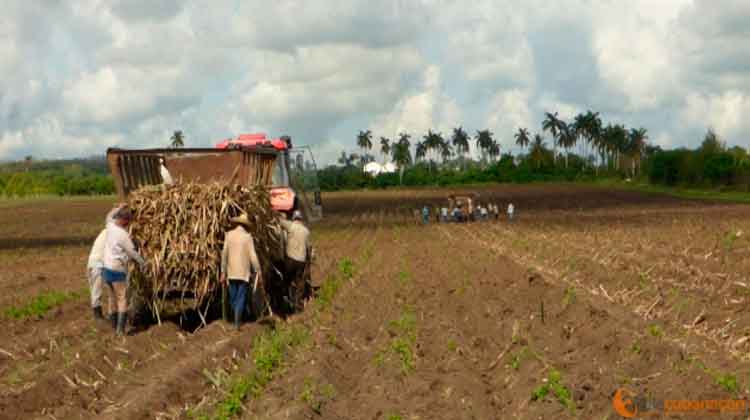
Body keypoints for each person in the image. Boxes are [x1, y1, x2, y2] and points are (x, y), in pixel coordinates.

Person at [102, 206, 145, 335]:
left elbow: (108, 215)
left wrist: (118, 207)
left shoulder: (110, 226)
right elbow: (132, 253)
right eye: (128, 221)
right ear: (125, 220)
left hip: (106, 268)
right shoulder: (123, 235)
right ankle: (120, 331)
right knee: (122, 299)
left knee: (111, 298)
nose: (128, 224)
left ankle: (113, 327)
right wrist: (143, 263)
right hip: (117, 270)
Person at [221, 213, 262, 329]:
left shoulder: (228, 235)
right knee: (241, 297)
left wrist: (223, 271)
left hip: (231, 272)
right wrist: (258, 270)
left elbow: (224, 254)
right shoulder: (248, 237)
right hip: (244, 273)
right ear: (245, 225)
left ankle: (236, 320)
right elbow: (253, 256)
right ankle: (237, 321)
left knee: (233, 297)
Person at [279, 210, 311, 312]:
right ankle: (297, 303)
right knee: (299, 283)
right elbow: (309, 247)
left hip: (290, 259)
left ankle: (284, 300)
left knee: (286, 280)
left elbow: (279, 221)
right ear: (301, 219)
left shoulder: (290, 226)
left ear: (294, 218)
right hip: (301, 261)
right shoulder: (306, 231)